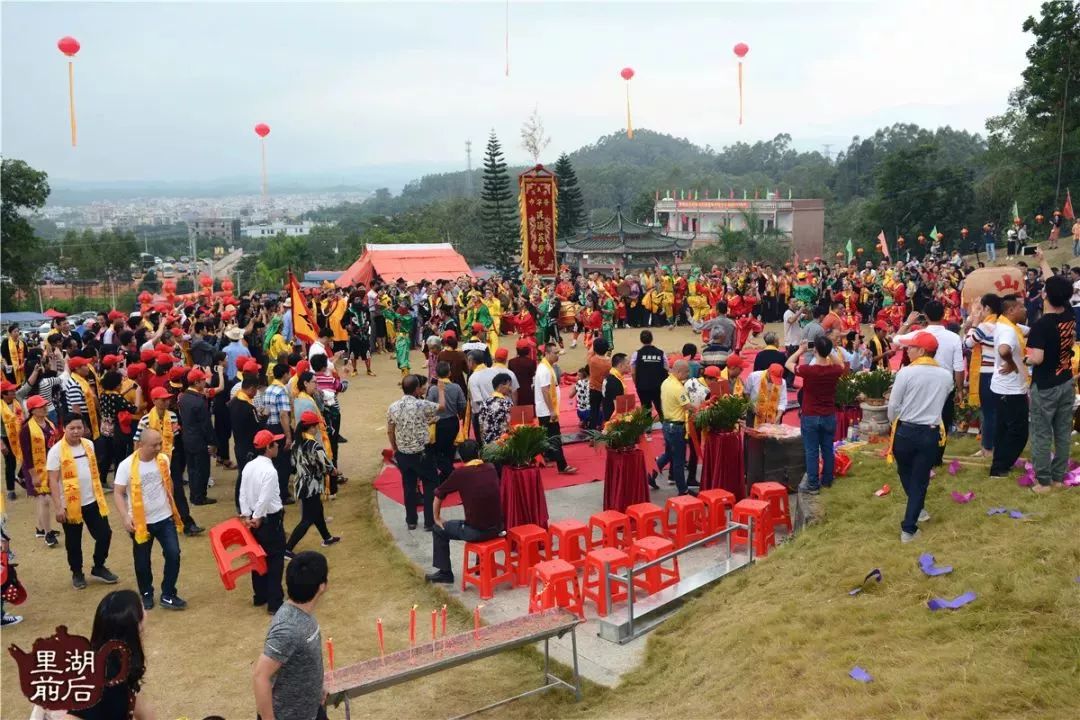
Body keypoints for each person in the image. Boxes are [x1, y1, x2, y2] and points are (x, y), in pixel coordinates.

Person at [887, 332, 953, 543]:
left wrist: (893, 423)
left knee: (910, 475)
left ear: (922, 351)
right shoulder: (945, 375)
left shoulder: (906, 373)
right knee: (918, 479)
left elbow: (894, 405)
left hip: (905, 431)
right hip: (929, 432)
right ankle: (917, 513)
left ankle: (909, 527)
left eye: (911, 347)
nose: (907, 350)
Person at [113, 429, 187, 611]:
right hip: (140, 522)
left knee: (173, 554)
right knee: (142, 560)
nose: (158, 447)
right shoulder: (126, 465)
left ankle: (168, 593)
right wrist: (125, 517)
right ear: (141, 445)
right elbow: (118, 492)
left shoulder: (163, 460)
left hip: (164, 518)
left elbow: (168, 483)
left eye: (160, 443)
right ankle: (146, 593)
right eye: (154, 445)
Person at [253, 550, 329, 720]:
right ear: (321, 586)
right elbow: (260, 676)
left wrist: (317, 688)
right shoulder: (287, 629)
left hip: (311, 710)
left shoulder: (304, 612)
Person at [47, 414, 119, 590]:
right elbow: (53, 481)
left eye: (79, 427)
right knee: (73, 542)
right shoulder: (56, 451)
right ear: (64, 428)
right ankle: (77, 572)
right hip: (70, 504)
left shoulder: (89, 445)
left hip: (92, 500)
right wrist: (58, 507)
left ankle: (99, 566)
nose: (76, 431)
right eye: (72, 428)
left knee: (105, 534)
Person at [1026, 263, 1077, 492]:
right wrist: (1043, 261)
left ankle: (1043, 481)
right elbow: (1058, 287)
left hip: (1046, 385)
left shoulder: (1041, 325)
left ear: (1046, 295)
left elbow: (1036, 358)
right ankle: (1058, 477)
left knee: (1041, 432)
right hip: (1066, 381)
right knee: (1063, 432)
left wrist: (1023, 357)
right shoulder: (1069, 312)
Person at [893, 301, 964, 464]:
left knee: (919, 417)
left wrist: (908, 323)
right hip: (944, 385)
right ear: (943, 315)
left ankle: (918, 453)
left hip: (919, 383)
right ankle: (936, 457)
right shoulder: (953, 338)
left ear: (925, 315)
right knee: (942, 419)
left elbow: (896, 339)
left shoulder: (918, 334)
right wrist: (960, 390)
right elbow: (958, 367)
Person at [423, 439, 502, 584]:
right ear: (478, 453)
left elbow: (438, 494)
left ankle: (445, 573)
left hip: (476, 531)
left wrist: (436, 517)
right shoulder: (491, 467)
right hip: (498, 527)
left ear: (461, 457)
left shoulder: (461, 474)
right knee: (482, 513)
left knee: (438, 529)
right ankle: (480, 566)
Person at [68, 590, 154, 719]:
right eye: (142, 608)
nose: (146, 613)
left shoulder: (110, 658)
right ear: (135, 625)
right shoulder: (110, 677)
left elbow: (137, 702)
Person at [786, 336, 845, 495]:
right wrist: (829, 351)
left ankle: (813, 484)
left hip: (811, 414)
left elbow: (788, 363)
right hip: (829, 415)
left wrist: (800, 350)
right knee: (827, 448)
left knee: (811, 450)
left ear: (815, 350)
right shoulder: (834, 370)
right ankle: (827, 479)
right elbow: (841, 364)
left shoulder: (808, 370)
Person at [387, 373, 446, 531]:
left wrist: (395, 449)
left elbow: (391, 431)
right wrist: (440, 390)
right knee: (430, 484)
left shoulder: (393, 407)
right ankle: (429, 522)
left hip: (404, 453)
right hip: (422, 453)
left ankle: (411, 520)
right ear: (416, 389)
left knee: (409, 487)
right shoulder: (422, 405)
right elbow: (442, 407)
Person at [240, 429, 287, 613]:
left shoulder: (248, 466)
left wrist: (247, 516)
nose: (277, 446)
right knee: (275, 560)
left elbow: (242, 492)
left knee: (257, 558)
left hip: (252, 517)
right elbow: (265, 498)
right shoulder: (270, 471)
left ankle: (260, 596)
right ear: (268, 447)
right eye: (275, 443)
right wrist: (258, 517)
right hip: (269, 519)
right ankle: (275, 602)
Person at [286, 412, 341, 552]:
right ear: (311, 428)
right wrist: (334, 471)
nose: (317, 428)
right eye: (316, 426)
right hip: (312, 485)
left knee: (317, 511)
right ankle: (288, 548)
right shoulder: (314, 446)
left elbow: (292, 464)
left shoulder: (296, 443)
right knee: (307, 519)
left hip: (301, 483)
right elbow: (326, 465)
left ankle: (327, 537)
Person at [988, 294, 1029, 477]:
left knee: (1004, 428)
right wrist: (1012, 363)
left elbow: (1028, 330)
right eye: (1021, 307)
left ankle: (999, 464)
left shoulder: (1007, 324)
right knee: (1018, 431)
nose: (1025, 310)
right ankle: (1000, 467)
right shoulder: (1008, 331)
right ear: (1011, 310)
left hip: (1003, 386)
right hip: (1010, 388)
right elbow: (1004, 349)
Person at [962, 293, 1002, 458]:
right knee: (996, 411)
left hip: (987, 373)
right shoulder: (1002, 323)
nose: (978, 312)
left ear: (987, 308)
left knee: (988, 412)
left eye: (980, 308)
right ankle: (993, 446)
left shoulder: (986, 326)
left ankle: (987, 448)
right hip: (1000, 372)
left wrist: (975, 324)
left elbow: (967, 343)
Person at [19, 395, 59, 546]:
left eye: (45, 405)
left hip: (48, 465)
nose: (45, 407)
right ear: (32, 411)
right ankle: (48, 534)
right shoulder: (26, 430)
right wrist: (33, 476)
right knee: (45, 500)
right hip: (34, 469)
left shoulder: (48, 423)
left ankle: (41, 528)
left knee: (43, 501)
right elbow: (27, 455)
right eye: (41, 406)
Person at [534, 343, 577, 474]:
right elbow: (546, 391)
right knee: (555, 437)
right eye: (555, 353)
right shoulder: (544, 369)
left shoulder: (548, 367)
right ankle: (562, 465)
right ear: (546, 353)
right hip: (547, 411)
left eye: (558, 353)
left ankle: (549, 456)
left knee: (549, 437)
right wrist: (552, 410)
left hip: (547, 410)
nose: (557, 355)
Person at [655, 360, 696, 495]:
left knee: (669, 454)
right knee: (678, 459)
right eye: (686, 372)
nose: (688, 374)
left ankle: (651, 474)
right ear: (678, 372)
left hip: (667, 424)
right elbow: (688, 406)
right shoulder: (678, 388)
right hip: (677, 427)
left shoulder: (666, 382)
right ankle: (682, 489)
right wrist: (700, 407)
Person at [177, 368, 217, 506]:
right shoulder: (198, 401)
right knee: (202, 469)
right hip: (199, 439)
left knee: (192, 468)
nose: (205, 382)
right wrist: (212, 442)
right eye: (203, 380)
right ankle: (200, 496)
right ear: (196, 382)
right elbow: (206, 425)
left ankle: (195, 495)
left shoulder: (183, 397)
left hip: (187, 437)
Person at [426, 362, 466, 483]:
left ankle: (449, 474)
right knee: (450, 449)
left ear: (436, 374)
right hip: (452, 422)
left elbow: (428, 408)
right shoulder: (456, 387)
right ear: (449, 373)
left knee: (437, 451)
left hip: (438, 423)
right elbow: (462, 404)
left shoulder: (433, 389)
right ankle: (449, 474)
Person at [263, 363, 295, 504]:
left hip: (269, 427)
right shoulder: (281, 391)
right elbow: (283, 414)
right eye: (288, 373)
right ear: (284, 375)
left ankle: (276, 492)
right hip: (279, 428)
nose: (290, 375)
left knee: (275, 462)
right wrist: (288, 435)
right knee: (283, 463)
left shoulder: (269, 389)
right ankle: (283, 494)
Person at [229, 374, 262, 511]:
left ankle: (240, 503)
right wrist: (263, 417)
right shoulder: (248, 407)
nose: (256, 393)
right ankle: (243, 503)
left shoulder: (233, 402)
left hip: (239, 444)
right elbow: (257, 427)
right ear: (251, 388)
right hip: (248, 446)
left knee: (242, 474)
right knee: (246, 476)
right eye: (255, 390)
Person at [631, 330, 667, 420]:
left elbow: (633, 372)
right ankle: (664, 423)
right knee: (660, 406)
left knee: (646, 408)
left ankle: (648, 428)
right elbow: (666, 368)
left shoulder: (636, 354)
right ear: (652, 339)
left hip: (643, 386)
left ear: (641, 340)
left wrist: (636, 383)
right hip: (658, 386)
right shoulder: (661, 353)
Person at [476, 372, 514, 445]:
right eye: (509, 385)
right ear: (500, 386)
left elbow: (481, 424)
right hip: (504, 443)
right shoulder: (507, 403)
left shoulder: (484, 403)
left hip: (489, 444)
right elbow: (511, 424)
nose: (510, 388)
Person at [587, 338, 612, 430]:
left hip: (594, 389)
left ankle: (592, 434)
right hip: (606, 389)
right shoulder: (609, 362)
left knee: (594, 411)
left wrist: (595, 339)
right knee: (607, 411)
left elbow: (590, 351)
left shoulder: (592, 360)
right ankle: (607, 430)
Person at [508, 338, 537, 407]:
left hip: (515, 393)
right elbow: (533, 377)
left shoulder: (511, 362)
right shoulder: (531, 362)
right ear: (528, 350)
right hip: (528, 393)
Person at [602, 352, 629, 420]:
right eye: (628, 363)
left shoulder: (610, 376)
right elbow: (618, 410)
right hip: (614, 422)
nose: (629, 365)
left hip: (608, 413)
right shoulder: (615, 382)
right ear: (620, 366)